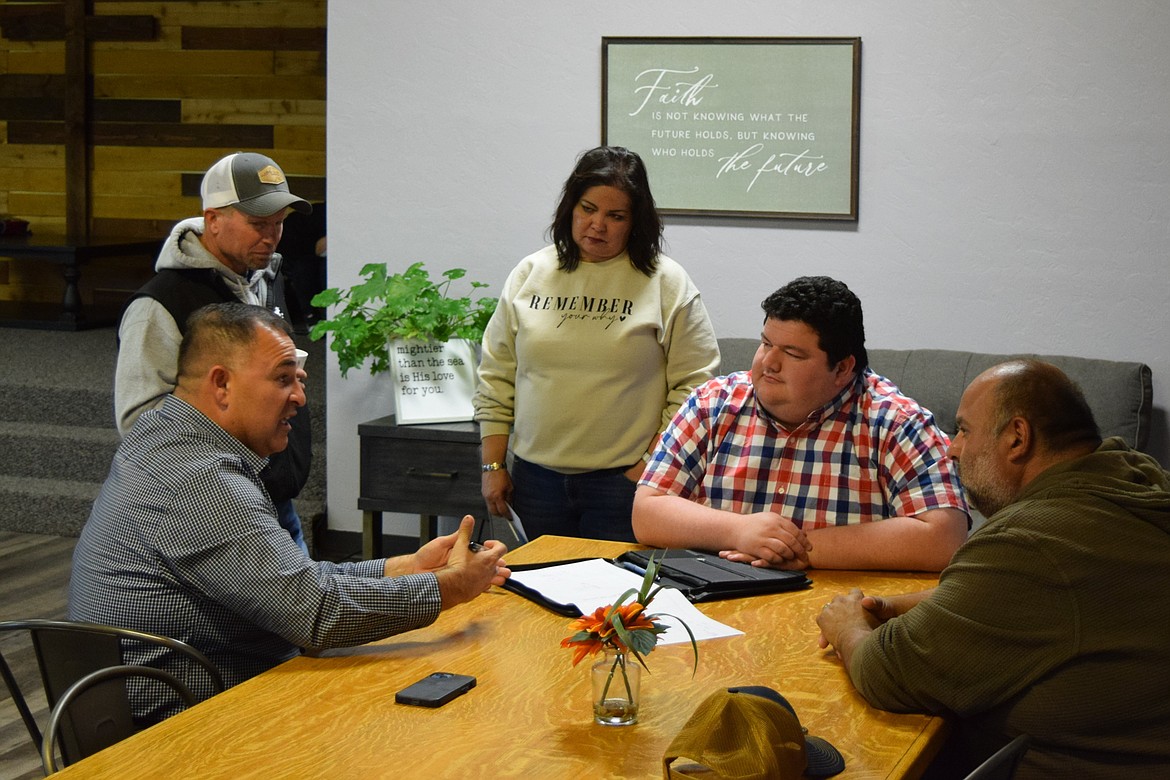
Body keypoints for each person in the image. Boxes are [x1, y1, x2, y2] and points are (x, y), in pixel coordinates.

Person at [71, 303, 510, 724]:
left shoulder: (166, 437)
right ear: (221, 384)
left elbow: (293, 583)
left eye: (299, 379)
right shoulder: (198, 479)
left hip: (199, 693)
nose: (300, 397)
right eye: (283, 379)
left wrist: (407, 567)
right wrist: (448, 587)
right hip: (186, 727)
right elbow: (315, 613)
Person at [816, 360, 1170, 778]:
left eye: (964, 430)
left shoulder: (1031, 541)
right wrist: (896, 605)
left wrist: (847, 625)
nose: (952, 448)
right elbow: (1045, 599)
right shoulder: (1132, 476)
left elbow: (887, 671)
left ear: (1017, 438)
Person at [633, 276, 968, 571]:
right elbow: (647, 512)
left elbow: (943, 537)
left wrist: (803, 549)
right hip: (718, 601)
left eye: (793, 354)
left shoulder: (896, 422)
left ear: (842, 369)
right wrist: (738, 531)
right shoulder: (713, 402)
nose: (769, 363)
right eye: (765, 343)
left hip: (837, 609)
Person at [474, 146, 719, 542]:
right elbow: (496, 376)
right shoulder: (530, 273)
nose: (597, 225)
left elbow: (695, 388)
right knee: (539, 598)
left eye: (615, 216)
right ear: (570, 207)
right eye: (588, 209)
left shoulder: (666, 283)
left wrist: (647, 466)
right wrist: (493, 466)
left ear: (636, 222)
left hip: (623, 485)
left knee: (615, 602)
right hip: (535, 482)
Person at [115, 151, 314, 553]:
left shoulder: (266, 279)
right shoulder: (159, 304)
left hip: (276, 505)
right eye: (258, 224)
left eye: (279, 224)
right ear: (213, 220)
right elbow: (140, 423)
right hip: (212, 513)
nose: (271, 236)